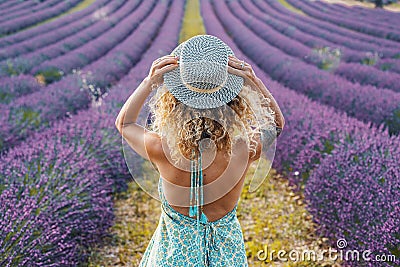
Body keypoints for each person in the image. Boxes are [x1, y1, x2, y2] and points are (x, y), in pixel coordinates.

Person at [115, 35, 285, 267]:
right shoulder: (242, 150)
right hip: (228, 258)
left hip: (173, 258)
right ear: (233, 102)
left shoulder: (163, 149)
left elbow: (124, 124)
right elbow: (276, 124)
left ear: (174, 100)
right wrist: (253, 80)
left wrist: (149, 82)